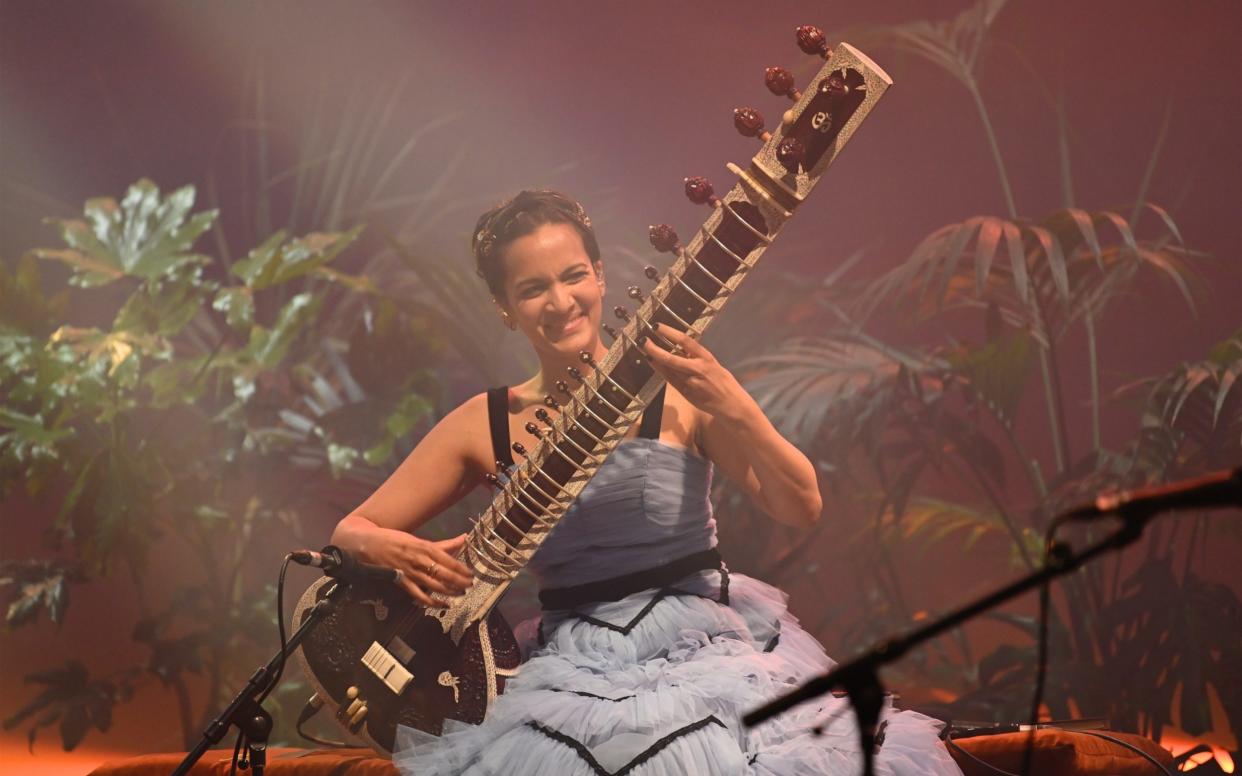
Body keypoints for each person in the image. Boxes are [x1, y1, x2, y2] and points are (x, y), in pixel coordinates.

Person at [330, 190, 962, 775]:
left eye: (574, 275)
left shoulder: (682, 392)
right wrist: (385, 547)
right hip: (570, 669)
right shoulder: (485, 423)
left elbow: (802, 505)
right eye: (533, 288)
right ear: (505, 307)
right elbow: (351, 529)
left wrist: (733, 402)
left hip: (706, 650)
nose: (561, 301)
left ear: (602, 277)